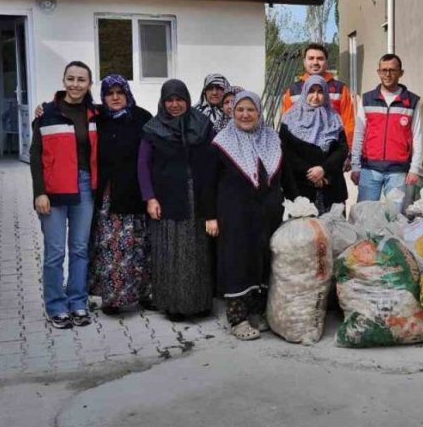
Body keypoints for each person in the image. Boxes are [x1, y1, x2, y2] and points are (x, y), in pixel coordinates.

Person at [203, 91, 289, 341]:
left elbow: (284, 176)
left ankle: (256, 312)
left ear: (259, 112)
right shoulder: (222, 143)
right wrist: (210, 217)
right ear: (232, 112)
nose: (245, 114)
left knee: (262, 261)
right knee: (237, 263)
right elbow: (208, 184)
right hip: (234, 216)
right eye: (240, 109)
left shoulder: (271, 139)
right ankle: (237, 319)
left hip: (266, 216)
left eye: (251, 109)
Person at [30, 61, 99, 329]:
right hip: (54, 189)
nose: (75, 84)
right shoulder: (47, 113)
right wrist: (39, 193)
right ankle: (56, 306)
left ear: (89, 84)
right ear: (63, 80)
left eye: (81, 80)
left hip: (84, 187)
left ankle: (78, 302)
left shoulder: (96, 114)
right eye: (71, 78)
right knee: (55, 252)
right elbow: (35, 156)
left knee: (80, 249)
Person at [139, 79, 216, 320]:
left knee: (197, 251)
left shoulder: (202, 124)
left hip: (197, 196)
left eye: (179, 99)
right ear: (162, 102)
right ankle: (174, 305)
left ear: (187, 100)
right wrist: (150, 198)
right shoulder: (153, 128)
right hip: (167, 197)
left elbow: (212, 160)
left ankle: (199, 303)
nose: (174, 105)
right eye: (169, 100)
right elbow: (143, 165)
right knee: (170, 251)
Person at [88, 75, 153, 315]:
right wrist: (42, 110)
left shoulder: (142, 118)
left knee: (138, 248)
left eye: (120, 92)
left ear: (127, 93)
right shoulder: (97, 119)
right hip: (109, 196)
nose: (115, 97)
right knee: (111, 249)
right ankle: (112, 299)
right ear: (103, 97)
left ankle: (144, 294)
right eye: (109, 93)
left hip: (135, 194)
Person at [350, 54, 423, 208]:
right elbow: (359, 134)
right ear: (378, 72)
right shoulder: (367, 99)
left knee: (394, 216)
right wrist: (355, 165)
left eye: (392, 70)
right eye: (384, 70)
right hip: (369, 168)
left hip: (398, 170)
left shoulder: (412, 101)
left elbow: (417, 136)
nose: (388, 74)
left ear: (401, 73)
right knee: (364, 214)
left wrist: (415, 168)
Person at [279, 74, 349, 213]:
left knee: (333, 226)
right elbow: (286, 152)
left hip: (331, 187)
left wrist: (323, 169)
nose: (315, 96)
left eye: (320, 91)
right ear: (305, 92)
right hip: (301, 190)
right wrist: (311, 173)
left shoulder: (334, 118)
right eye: (311, 91)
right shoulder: (290, 119)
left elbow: (342, 149)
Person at [281, 43, 355, 148]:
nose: (315, 62)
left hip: (332, 150)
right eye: (311, 58)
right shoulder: (292, 91)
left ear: (326, 61)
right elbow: (287, 125)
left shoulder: (340, 89)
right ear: (304, 62)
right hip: (300, 151)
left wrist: (347, 148)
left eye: (320, 58)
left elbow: (348, 122)